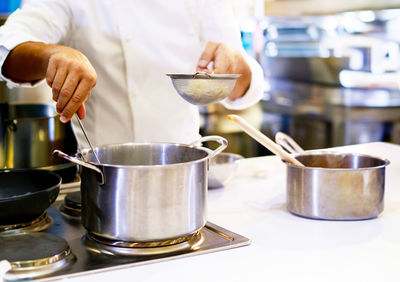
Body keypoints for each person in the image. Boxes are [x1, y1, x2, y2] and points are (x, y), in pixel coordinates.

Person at [0, 0, 264, 146]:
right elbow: (7, 49)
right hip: (104, 176)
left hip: (187, 170)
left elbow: (241, 80)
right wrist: (52, 54)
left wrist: (237, 68)